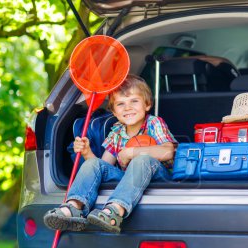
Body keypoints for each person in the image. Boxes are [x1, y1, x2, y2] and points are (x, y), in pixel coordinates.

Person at [44, 74, 177, 234]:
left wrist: (132, 152)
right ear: (113, 111)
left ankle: (115, 211)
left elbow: (169, 151)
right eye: (121, 104)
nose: (128, 108)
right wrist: (87, 153)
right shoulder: (117, 132)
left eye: (134, 101)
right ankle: (73, 207)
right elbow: (103, 167)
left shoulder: (154, 123)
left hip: (159, 179)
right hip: (130, 181)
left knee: (142, 160)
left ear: (147, 104)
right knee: (92, 164)